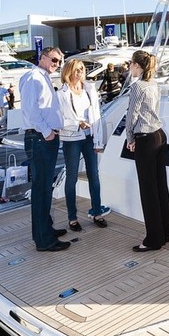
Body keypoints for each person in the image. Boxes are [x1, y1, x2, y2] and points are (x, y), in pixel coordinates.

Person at [19, 46, 68, 253]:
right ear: (43, 57)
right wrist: (47, 132)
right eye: (54, 60)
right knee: (41, 190)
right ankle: (44, 240)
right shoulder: (34, 78)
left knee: (45, 187)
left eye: (60, 61)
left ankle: (44, 229)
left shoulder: (42, 77)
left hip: (44, 137)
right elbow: (31, 111)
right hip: (40, 138)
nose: (57, 65)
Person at [125, 49, 169, 252]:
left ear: (137, 65)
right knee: (160, 186)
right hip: (159, 136)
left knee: (148, 191)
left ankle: (153, 239)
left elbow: (132, 116)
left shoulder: (138, 87)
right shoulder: (154, 84)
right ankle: (165, 232)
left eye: (131, 64)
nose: (129, 67)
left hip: (145, 139)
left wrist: (129, 139)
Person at [57, 58, 109, 232]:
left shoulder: (89, 89)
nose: (79, 72)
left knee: (94, 175)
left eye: (81, 69)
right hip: (71, 138)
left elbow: (96, 116)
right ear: (68, 71)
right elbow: (58, 120)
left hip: (89, 137)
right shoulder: (62, 93)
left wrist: (98, 140)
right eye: (76, 69)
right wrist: (77, 123)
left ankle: (97, 212)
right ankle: (72, 217)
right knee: (71, 178)